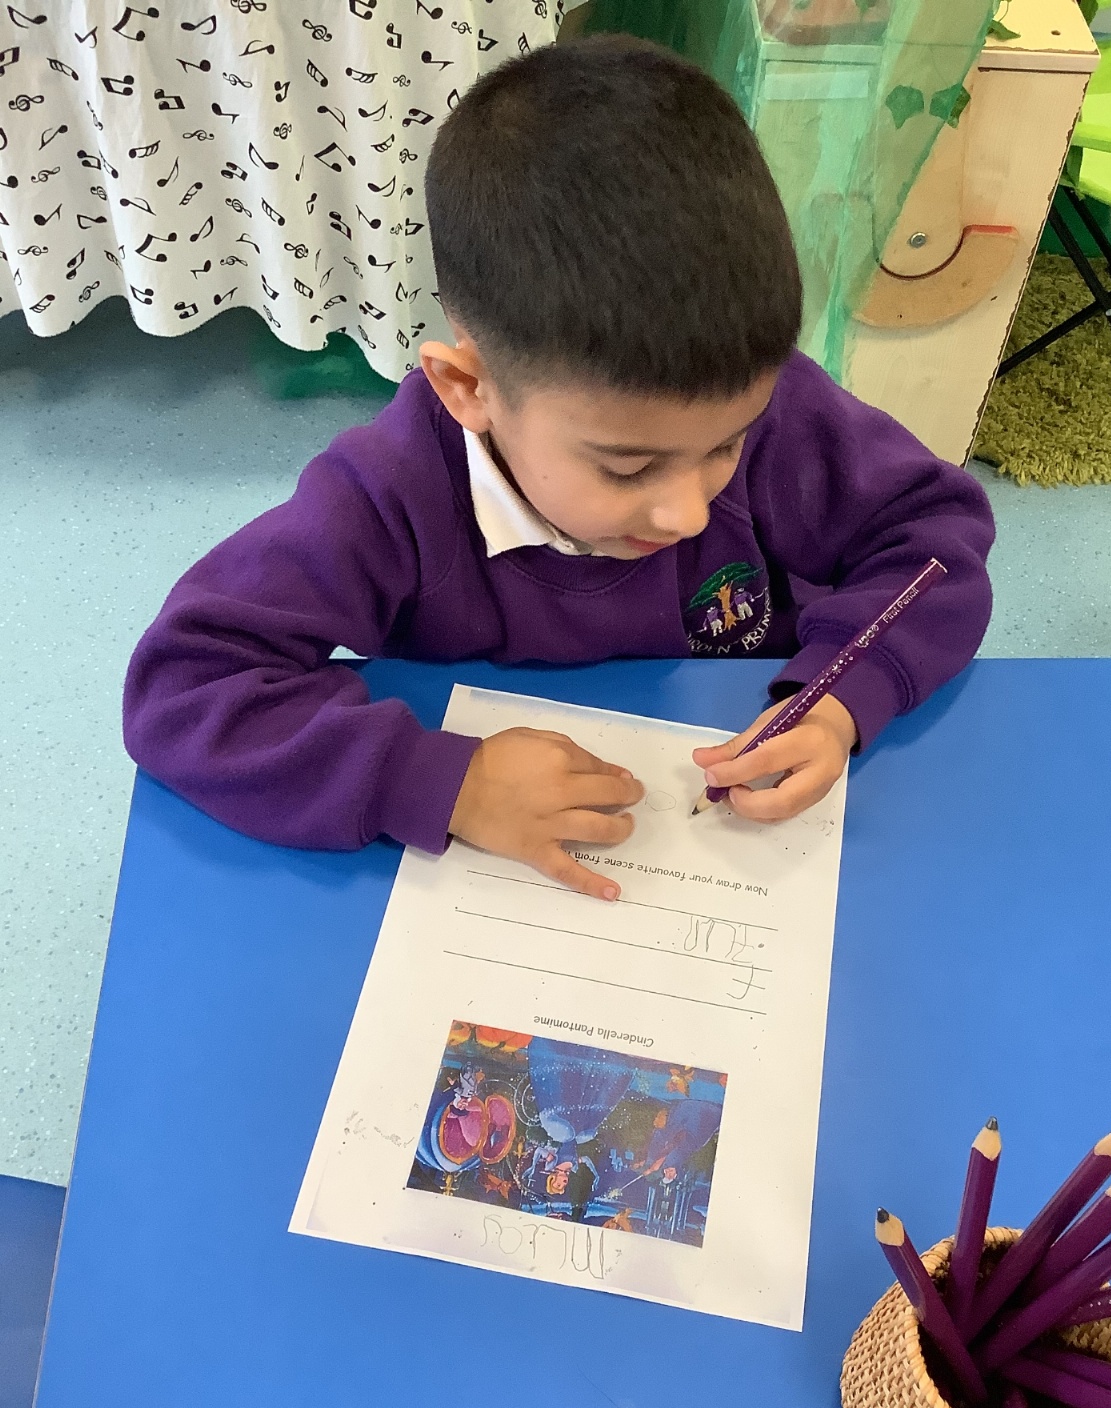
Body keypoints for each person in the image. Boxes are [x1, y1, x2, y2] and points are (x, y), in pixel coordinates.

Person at [124, 35, 994, 902]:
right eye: (629, 468)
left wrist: (842, 695)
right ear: (468, 389)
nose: (689, 512)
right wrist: (441, 782)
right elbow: (184, 683)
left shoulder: (760, 401)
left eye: (726, 447)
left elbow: (934, 540)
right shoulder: (389, 496)